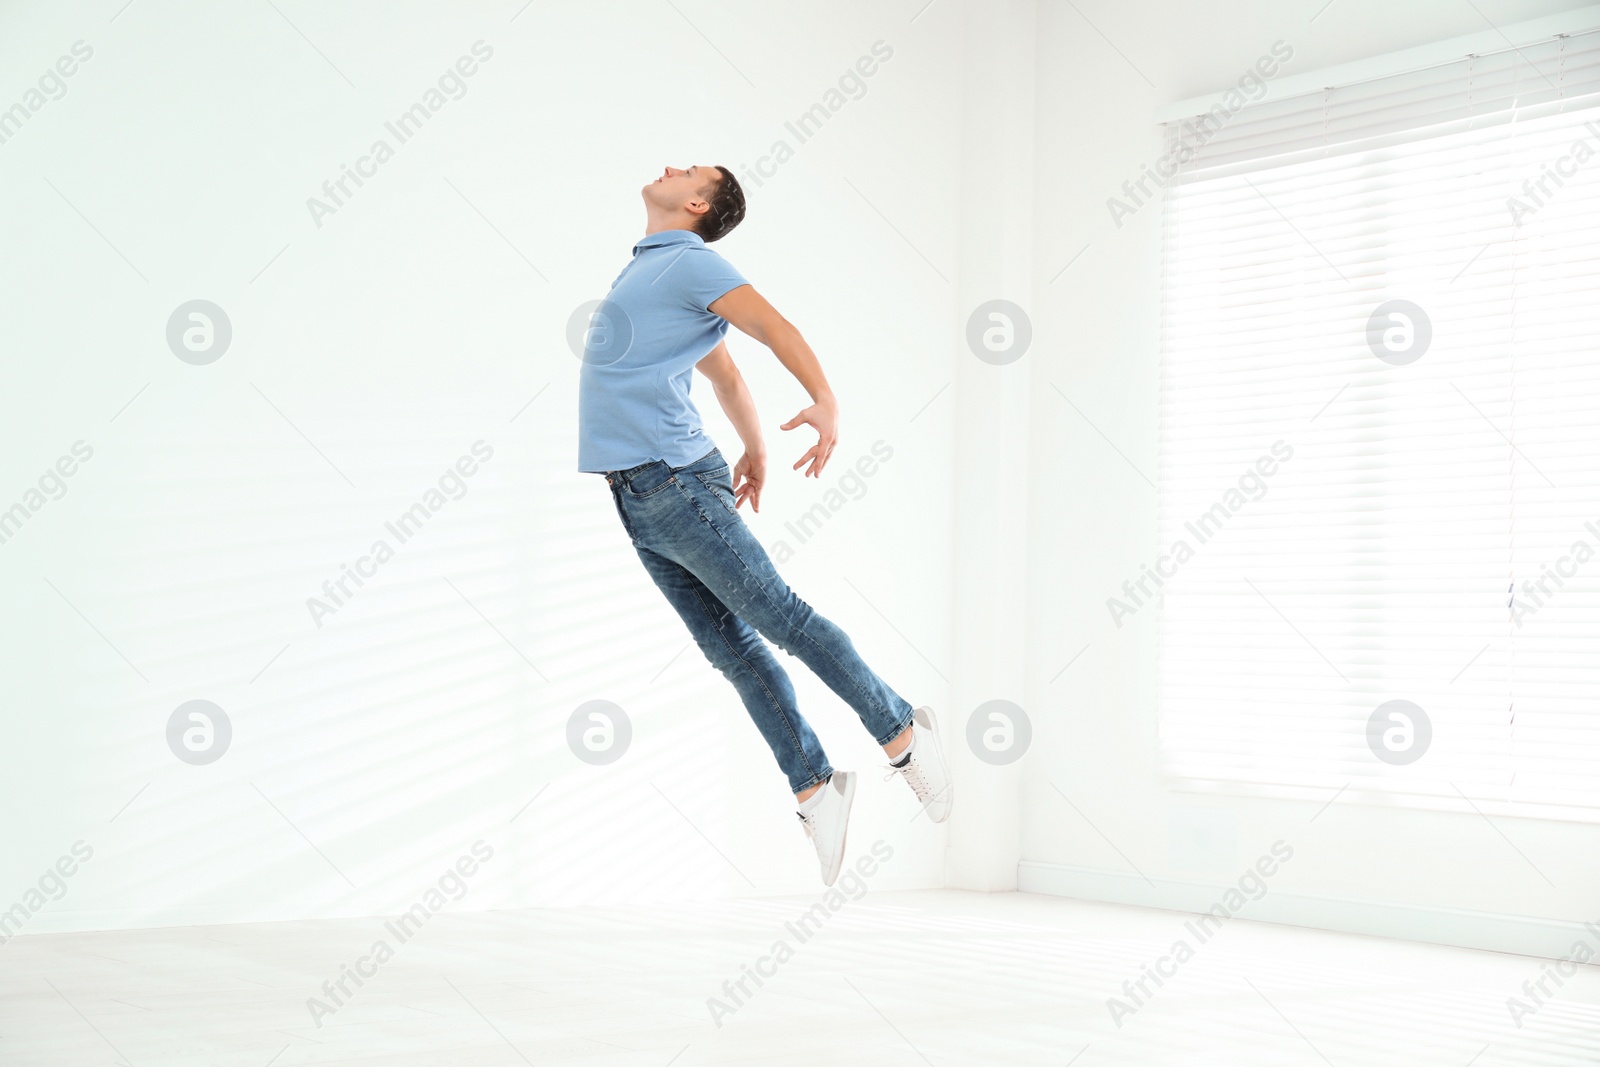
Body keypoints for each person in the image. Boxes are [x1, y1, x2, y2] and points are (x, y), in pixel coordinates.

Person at [577, 164, 953, 885]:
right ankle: (816, 784)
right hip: (639, 496)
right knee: (734, 651)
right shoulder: (654, 272)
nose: (672, 167)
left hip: (673, 484)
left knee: (782, 619)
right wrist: (753, 446)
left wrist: (824, 400)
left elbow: (774, 327)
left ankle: (904, 735)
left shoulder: (693, 260)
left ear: (696, 205)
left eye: (691, 172)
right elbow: (724, 376)